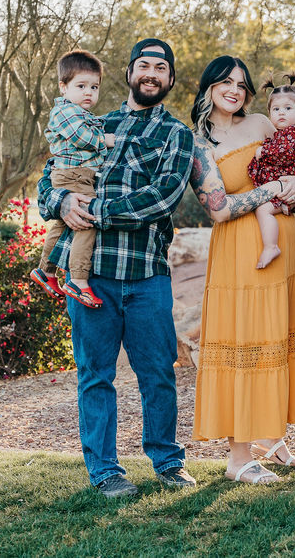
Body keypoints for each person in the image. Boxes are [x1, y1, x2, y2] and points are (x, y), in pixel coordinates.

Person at [37, 38, 196, 498]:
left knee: (159, 374)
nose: (151, 73)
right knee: (95, 375)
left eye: (160, 67)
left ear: (168, 79)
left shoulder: (175, 134)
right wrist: (63, 200)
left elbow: (163, 197)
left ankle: (167, 461)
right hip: (93, 274)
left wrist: (97, 209)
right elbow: (49, 181)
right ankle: (105, 471)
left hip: (147, 274)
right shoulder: (91, 124)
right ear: (129, 73)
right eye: (143, 65)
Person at [188, 55, 295, 485]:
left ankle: (270, 436)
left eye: (242, 84)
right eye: (225, 81)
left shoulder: (265, 122)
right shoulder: (197, 144)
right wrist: (272, 189)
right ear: (208, 86)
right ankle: (238, 457)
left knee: (279, 338)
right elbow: (219, 209)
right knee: (247, 341)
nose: (235, 90)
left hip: (284, 240)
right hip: (242, 252)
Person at [30, 49, 115, 308]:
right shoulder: (66, 112)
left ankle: (46, 271)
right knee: (86, 222)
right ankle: (78, 280)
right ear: (63, 87)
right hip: (74, 175)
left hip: (75, 175)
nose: (89, 92)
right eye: (81, 86)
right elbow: (80, 137)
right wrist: (105, 140)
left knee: (62, 224)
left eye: (94, 87)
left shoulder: (81, 113)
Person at [247, 72, 295, 269]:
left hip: (286, 188)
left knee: (263, 210)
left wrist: (262, 151)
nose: (281, 112)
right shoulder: (281, 134)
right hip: (281, 187)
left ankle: (271, 246)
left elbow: (283, 152)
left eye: (287, 108)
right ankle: (284, 207)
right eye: (276, 109)